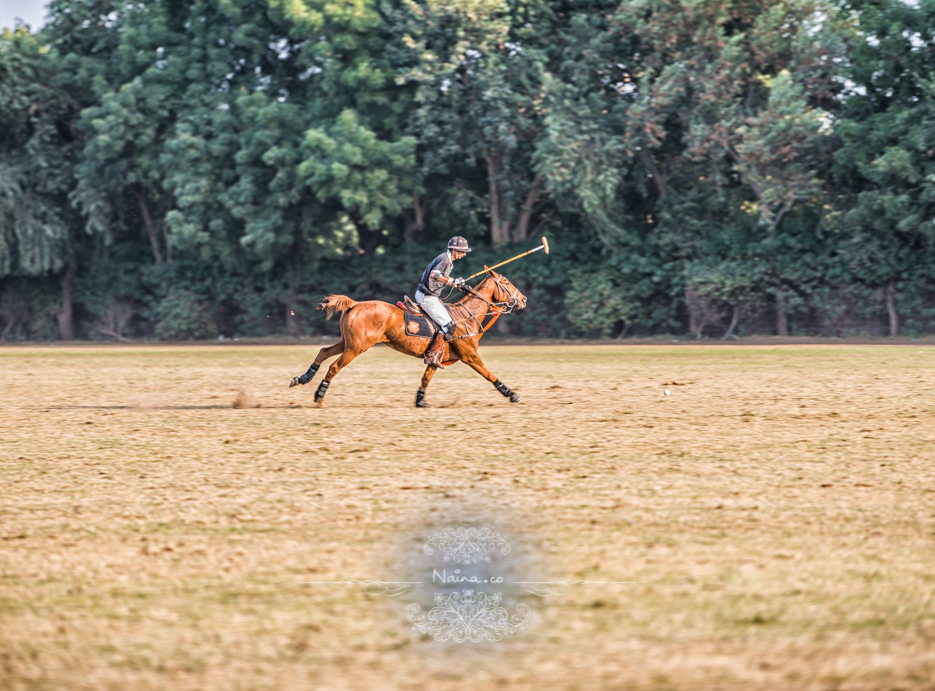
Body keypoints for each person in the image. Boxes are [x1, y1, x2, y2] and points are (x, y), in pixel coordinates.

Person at [416, 236, 470, 365]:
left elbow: (441, 277)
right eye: (463, 252)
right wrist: (451, 281)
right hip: (427, 296)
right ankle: (431, 355)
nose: (464, 255)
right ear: (454, 250)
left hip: (429, 296)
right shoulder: (445, 259)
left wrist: (458, 284)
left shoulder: (447, 261)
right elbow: (434, 275)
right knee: (449, 326)